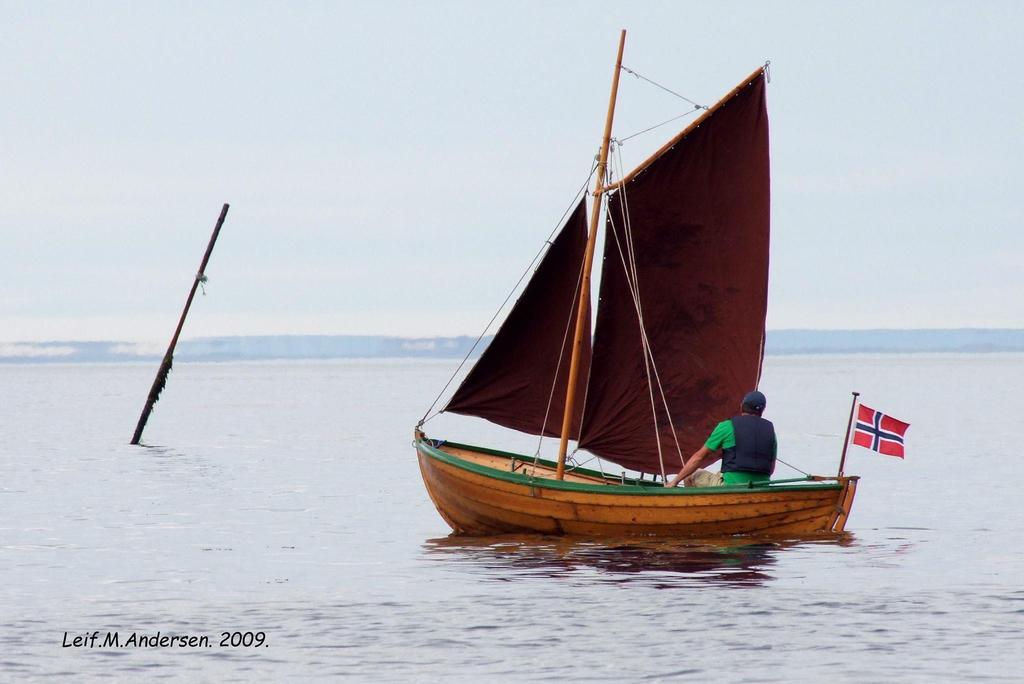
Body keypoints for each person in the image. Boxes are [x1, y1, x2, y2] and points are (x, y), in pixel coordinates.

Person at [665, 390, 777, 488]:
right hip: (761, 488)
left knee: (691, 475)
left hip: (731, 488)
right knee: (720, 473)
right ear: (762, 410)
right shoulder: (771, 432)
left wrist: (675, 481)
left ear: (741, 405)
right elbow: (771, 470)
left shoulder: (727, 426)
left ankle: (698, 511)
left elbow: (698, 458)